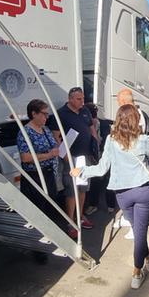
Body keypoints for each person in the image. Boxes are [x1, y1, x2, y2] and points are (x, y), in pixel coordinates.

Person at [71, 105, 149, 289]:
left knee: (138, 231)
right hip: (143, 190)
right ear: (136, 120)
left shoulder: (111, 140)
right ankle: (137, 270)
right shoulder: (143, 139)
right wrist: (144, 140)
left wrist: (82, 171)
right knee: (140, 233)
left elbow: (102, 168)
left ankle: (147, 260)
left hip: (122, 193)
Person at [49, 87, 98, 232]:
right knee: (71, 190)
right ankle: (70, 221)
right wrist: (65, 157)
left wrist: (95, 142)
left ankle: (80, 216)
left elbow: (91, 128)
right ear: (70, 99)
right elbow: (56, 136)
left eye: (83, 98)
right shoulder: (61, 114)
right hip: (71, 158)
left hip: (85, 157)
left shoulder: (85, 111)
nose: (82, 102)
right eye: (78, 99)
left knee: (83, 188)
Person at [16, 99, 64, 226]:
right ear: (34, 114)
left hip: (49, 174)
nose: (46, 117)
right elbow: (25, 157)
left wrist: (57, 149)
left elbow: (53, 145)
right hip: (35, 177)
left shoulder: (45, 129)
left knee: (50, 207)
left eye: (47, 114)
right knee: (38, 208)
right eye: (44, 114)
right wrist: (49, 155)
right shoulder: (25, 132)